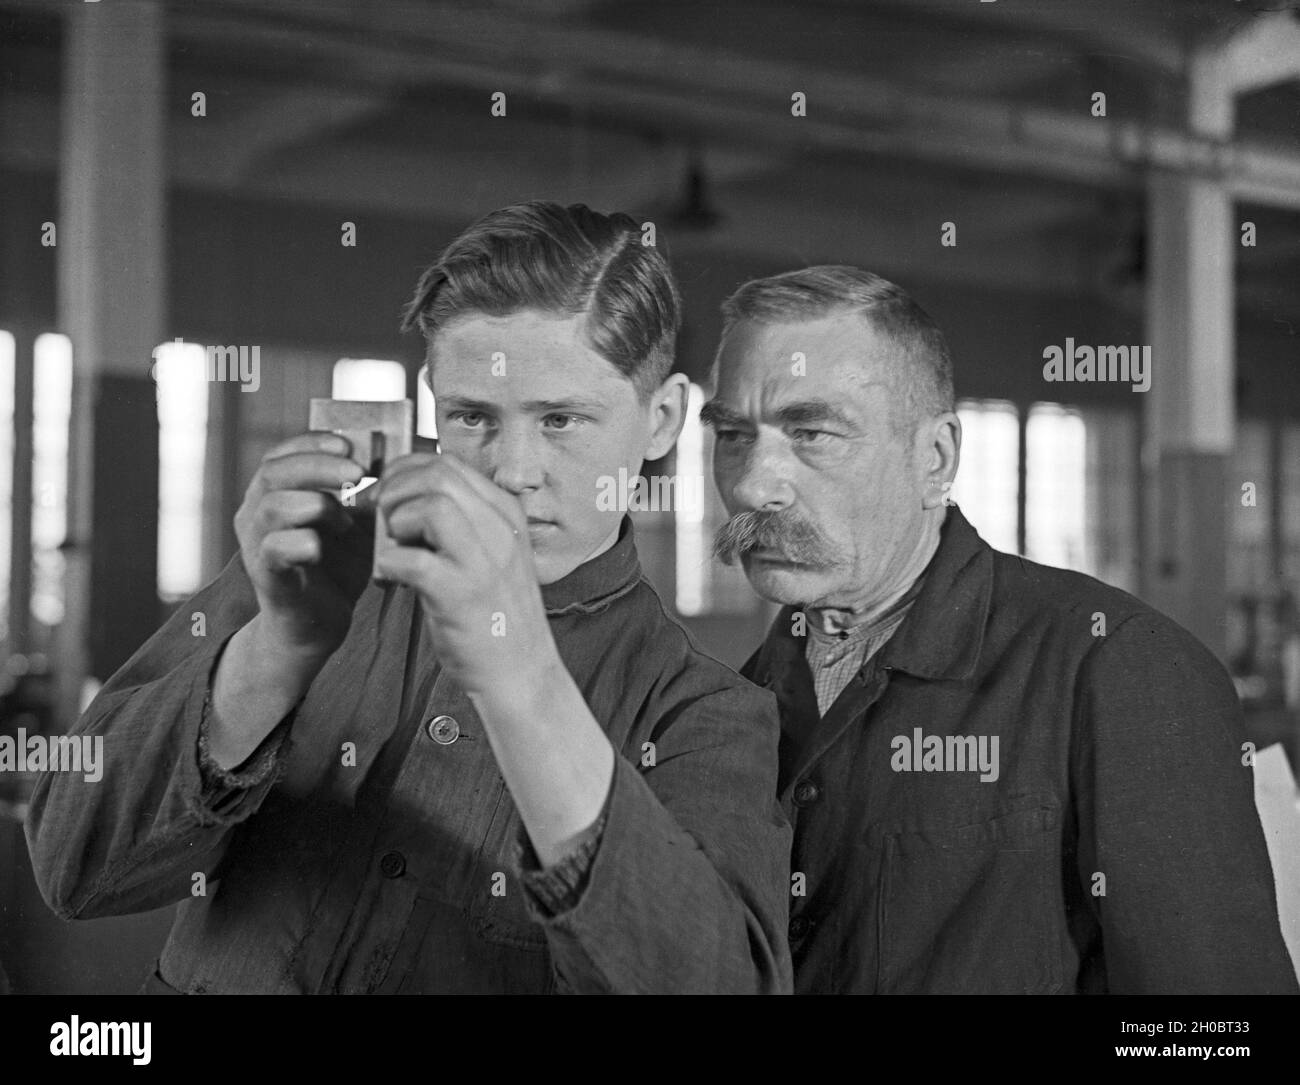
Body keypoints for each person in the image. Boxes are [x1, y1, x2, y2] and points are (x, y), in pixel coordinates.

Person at [26, 202, 791, 995]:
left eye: (561, 419)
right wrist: (272, 653)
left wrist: (525, 687)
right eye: (472, 416)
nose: (510, 471)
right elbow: (69, 866)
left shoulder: (704, 713)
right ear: (432, 403)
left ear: (662, 418)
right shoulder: (315, 573)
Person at [702, 264, 1298, 994]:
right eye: (732, 432)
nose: (755, 483)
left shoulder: (1114, 671)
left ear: (937, 459)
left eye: (814, 432)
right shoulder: (741, 700)